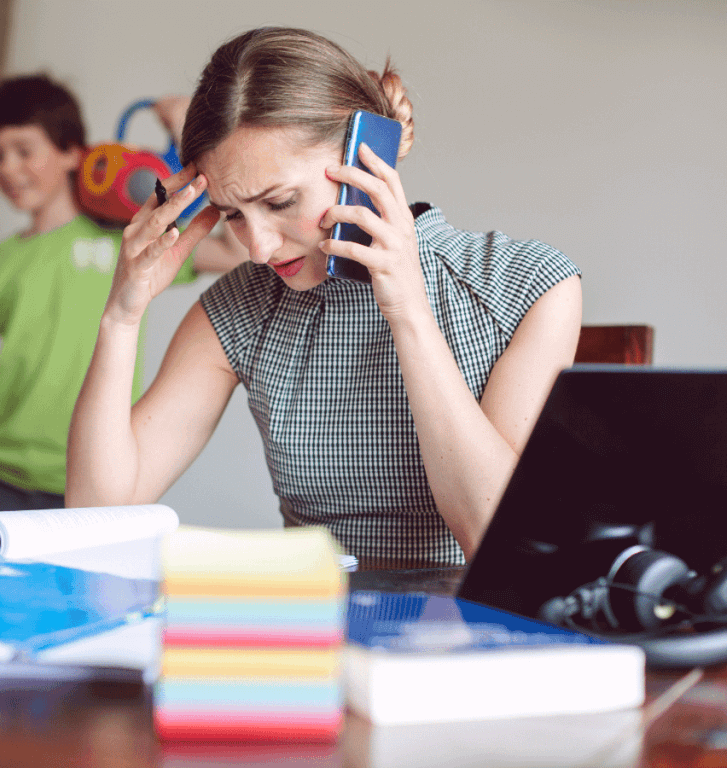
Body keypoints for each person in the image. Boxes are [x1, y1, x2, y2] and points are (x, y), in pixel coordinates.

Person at [66, 28, 582, 566]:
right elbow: (97, 508)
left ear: (368, 156)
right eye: (235, 214)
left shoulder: (528, 284)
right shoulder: (240, 307)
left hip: (469, 630)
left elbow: (493, 539)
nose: (260, 249)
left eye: (282, 201)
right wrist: (122, 316)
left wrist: (407, 310)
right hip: (311, 630)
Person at [0, 74, 244, 514]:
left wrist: (189, 132)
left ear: (74, 154)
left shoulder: (129, 240)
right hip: (1, 484)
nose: (8, 168)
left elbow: (231, 251)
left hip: (96, 484)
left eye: (23, 150)